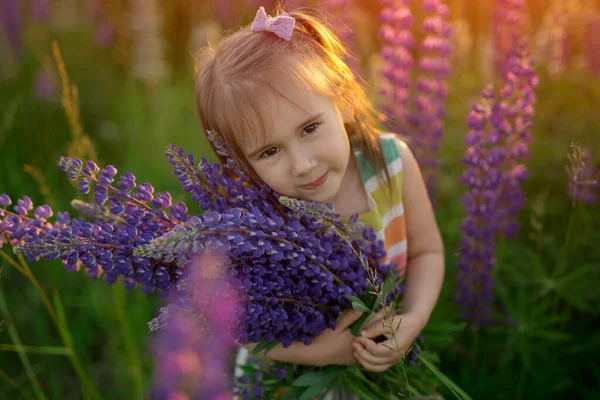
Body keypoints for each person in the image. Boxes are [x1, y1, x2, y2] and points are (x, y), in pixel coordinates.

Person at [194, 4, 445, 396]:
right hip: (286, 380)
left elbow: (426, 252)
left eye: (309, 128)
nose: (303, 164)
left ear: (342, 100)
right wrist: (319, 352)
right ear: (240, 161)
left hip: (388, 363)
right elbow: (228, 319)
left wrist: (413, 318)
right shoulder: (254, 219)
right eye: (269, 151)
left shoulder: (392, 165)